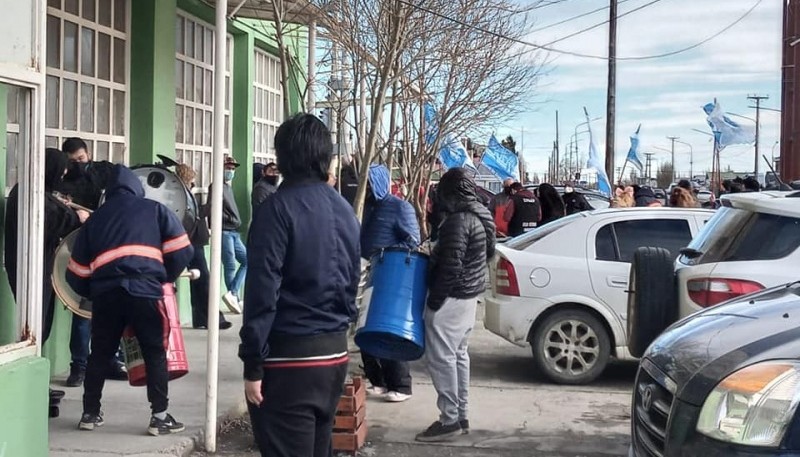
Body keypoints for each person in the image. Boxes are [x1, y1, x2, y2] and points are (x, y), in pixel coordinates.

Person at [240, 114, 361, 456]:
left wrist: (253, 363)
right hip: (334, 356)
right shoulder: (344, 211)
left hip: (288, 359)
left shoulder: (276, 210)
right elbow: (352, 281)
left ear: (282, 157)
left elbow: (262, 293)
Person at [66, 164, 193, 435]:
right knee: (154, 352)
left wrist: (94, 291)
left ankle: (89, 414)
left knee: (99, 353)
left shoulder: (96, 219)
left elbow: (75, 273)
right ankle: (159, 417)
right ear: (137, 188)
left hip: (107, 296)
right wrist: (163, 278)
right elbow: (183, 249)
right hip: (145, 292)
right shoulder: (155, 210)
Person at [416, 167, 495, 442]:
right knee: (459, 356)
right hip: (469, 297)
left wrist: (435, 301)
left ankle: (449, 420)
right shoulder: (480, 217)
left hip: (451, 298)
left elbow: (450, 266)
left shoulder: (457, 222)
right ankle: (461, 415)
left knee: (442, 360)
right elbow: (488, 253)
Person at [5, 148, 88, 407]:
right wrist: (78, 216)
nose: (64, 175)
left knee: (41, 328)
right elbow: (52, 219)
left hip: (36, 268)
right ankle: (31, 387)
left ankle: (38, 384)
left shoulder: (31, 190)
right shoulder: (31, 194)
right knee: (35, 328)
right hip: (31, 270)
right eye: (61, 170)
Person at [57, 138, 126, 387]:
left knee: (114, 309)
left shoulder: (105, 172)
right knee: (83, 310)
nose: (78, 165)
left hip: (108, 248)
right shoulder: (62, 182)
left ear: (89, 155)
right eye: (72, 161)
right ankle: (80, 366)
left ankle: (112, 360)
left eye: (81, 160)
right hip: (80, 250)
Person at [360, 164, 419, 403]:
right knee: (366, 327)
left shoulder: (399, 207)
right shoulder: (371, 208)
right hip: (368, 272)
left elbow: (413, 240)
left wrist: (390, 254)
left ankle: (401, 384)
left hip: (390, 274)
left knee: (387, 328)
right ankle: (378, 380)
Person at [175, 164, 232, 331]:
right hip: (192, 241)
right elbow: (194, 215)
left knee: (197, 280)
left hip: (190, 240)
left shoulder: (182, 194)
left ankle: (200, 318)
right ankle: (215, 318)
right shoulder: (182, 195)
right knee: (204, 280)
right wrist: (210, 206)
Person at [209, 156, 246, 314]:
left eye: (232, 169)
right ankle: (234, 296)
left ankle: (233, 293)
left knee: (247, 260)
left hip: (234, 231)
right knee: (230, 265)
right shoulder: (215, 186)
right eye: (228, 168)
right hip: (224, 230)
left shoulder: (228, 187)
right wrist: (229, 219)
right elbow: (213, 208)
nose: (230, 171)